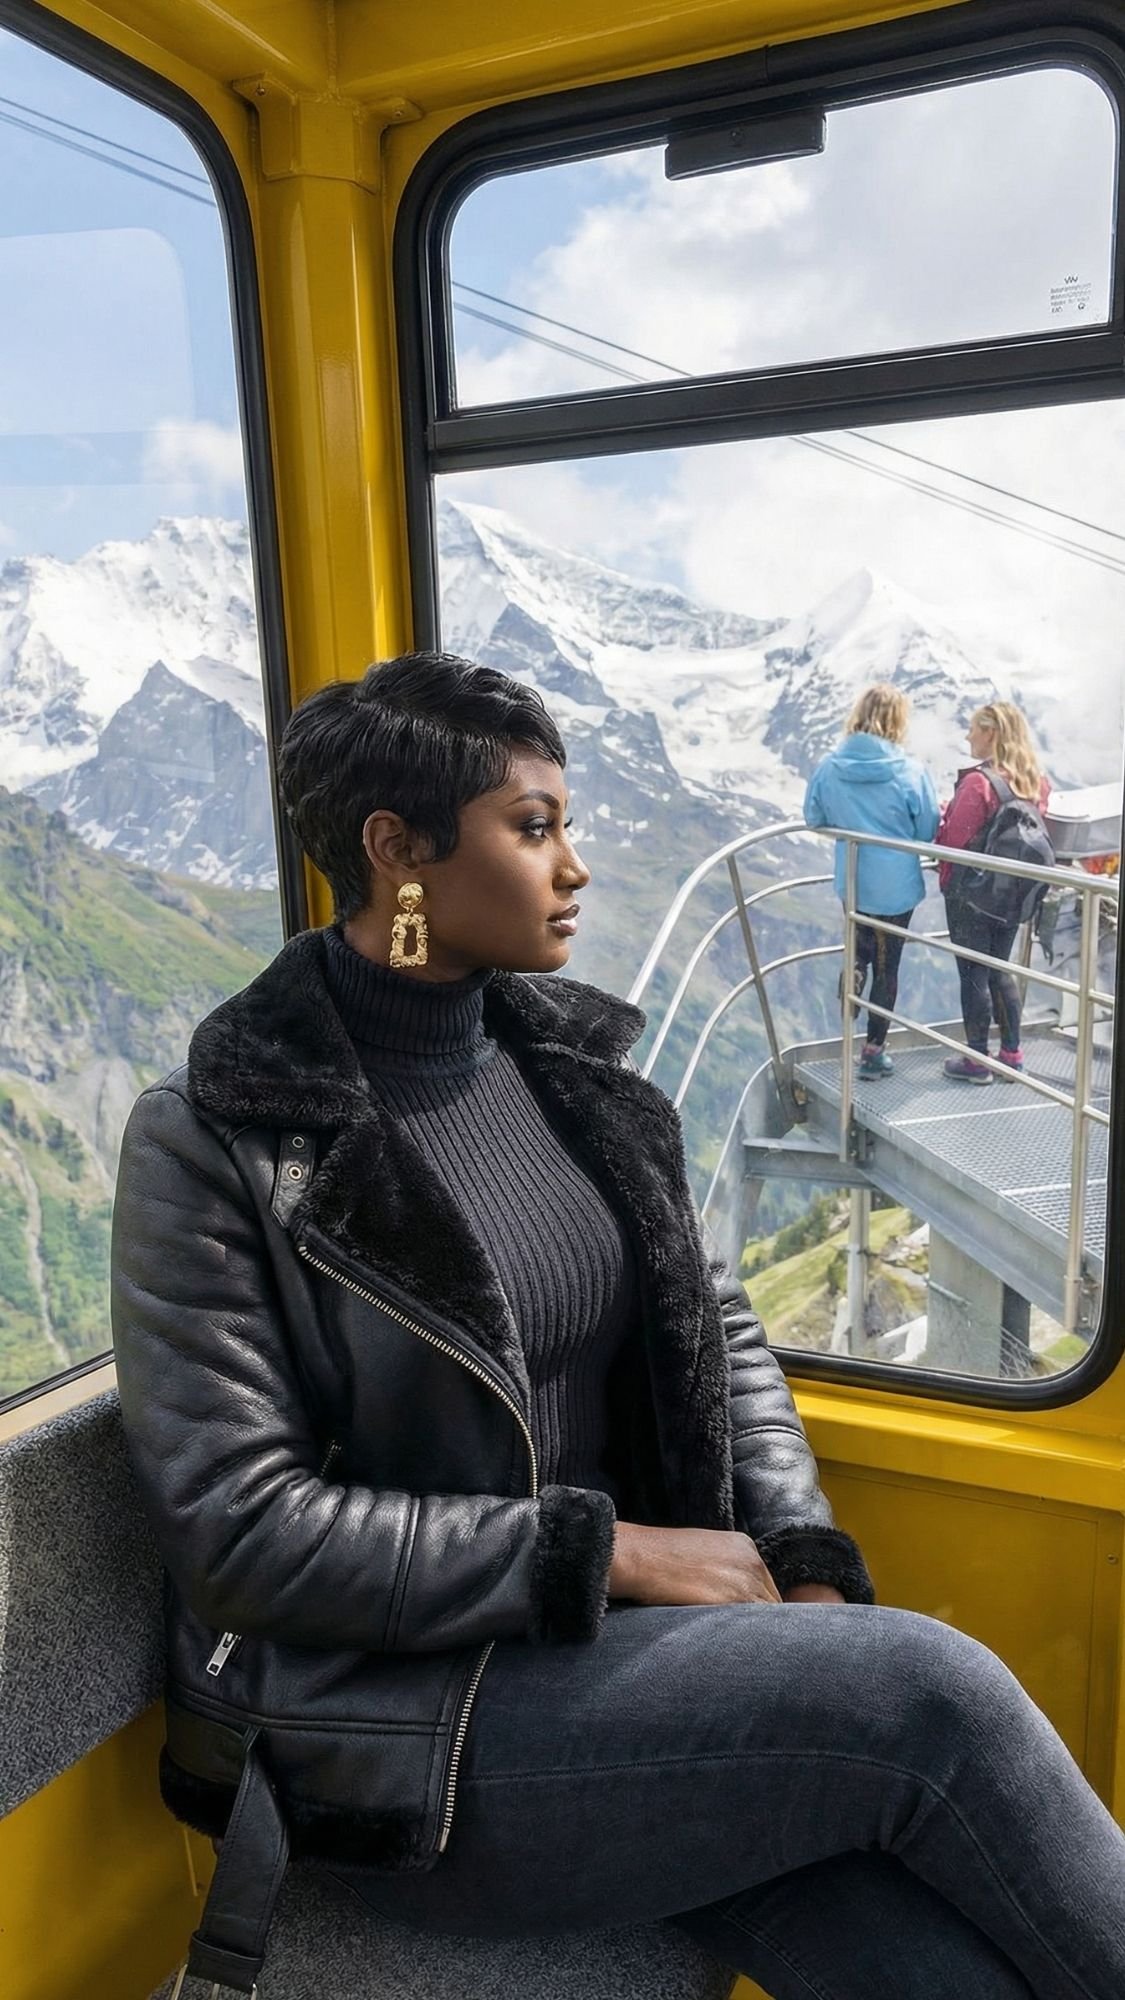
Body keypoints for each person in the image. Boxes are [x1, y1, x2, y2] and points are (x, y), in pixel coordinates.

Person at [110, 653, 1125, 2000]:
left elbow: (723, 1335)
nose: (576, 866)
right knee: (927, 1698)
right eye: (534, 829)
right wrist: (613, 1554)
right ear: (396, 852)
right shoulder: (223, 1139)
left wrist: (799, 1568)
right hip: (399, 1728)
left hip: (622, 1675)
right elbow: (244, 1531)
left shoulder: (574, 1076)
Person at [804, 685, 938, 1079]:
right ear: (898, 720)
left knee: (860, 944)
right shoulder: (911, 771)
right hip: (896, 885)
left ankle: (855, 966)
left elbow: (813, 816)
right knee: (889, 967)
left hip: (854, 880)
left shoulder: (830, 766)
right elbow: (927, 829)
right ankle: (873, 1052)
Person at [936, 702, 1050, 1085]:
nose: (968, 736)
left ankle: (977, 1060)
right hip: (1013, 895)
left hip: (972, 896)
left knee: (973, 974)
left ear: (992, 734)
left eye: (974, 729)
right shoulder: (1035, 781)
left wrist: (944, 823)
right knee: (1000, 969)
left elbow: (954, 841)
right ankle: (1012, 1055)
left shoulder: (978, 783)